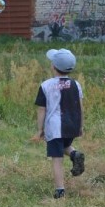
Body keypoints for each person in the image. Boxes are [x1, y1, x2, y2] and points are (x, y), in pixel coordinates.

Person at [34, 49, 84, 199]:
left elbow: (42, 109)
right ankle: (75, 154)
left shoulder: (46, 85)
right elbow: (81, 107)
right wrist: (81, 126)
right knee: (65, 146)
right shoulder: (76, 84)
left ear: (53, 66)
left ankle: (60, 191)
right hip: (72, 125)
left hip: (55, 127)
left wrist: (39, 130)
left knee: (57, 158)